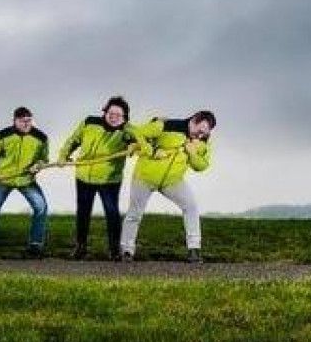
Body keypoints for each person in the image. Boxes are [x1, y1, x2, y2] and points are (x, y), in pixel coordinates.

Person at [119, 110, 216, 263]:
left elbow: (202, 166)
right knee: (135, 213)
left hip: (172, 181)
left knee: (191, 207)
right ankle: (126, 251)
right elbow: (138, 132)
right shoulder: (166, 125)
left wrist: (192, 154)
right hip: (145, 177)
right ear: (194, 120)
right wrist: (153, 150)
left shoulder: (203, 141)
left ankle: (194, 250)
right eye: (200, 131)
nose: (201, 136)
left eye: (205, 133)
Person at [56, 96, 135, 261]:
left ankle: (115, 250)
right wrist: (64, 155)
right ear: (105, 112)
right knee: (83, 212)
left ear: (125, 118)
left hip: (109, 180)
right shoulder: (89, 122)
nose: (114, 118)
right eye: (111, 113)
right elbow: (73, 140)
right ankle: (81, 247)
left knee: (112, 213)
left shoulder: (127, 131)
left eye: (119, 115)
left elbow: (140, 143)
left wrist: (135, 146)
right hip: (84, 177)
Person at [0, 107, 51, 258]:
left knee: (41, 207)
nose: (26, 124)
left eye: (29, 120)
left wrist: (38, 166)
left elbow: (44, 159)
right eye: (22, 121)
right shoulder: (3, 135)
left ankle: (35, 245)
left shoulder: (41, 138)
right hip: (2, 179)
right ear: (15, 121)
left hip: (26, 180)